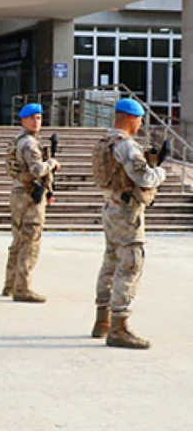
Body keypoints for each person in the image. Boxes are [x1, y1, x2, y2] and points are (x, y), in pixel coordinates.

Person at [90, 98, 166, 349]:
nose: (141, 124)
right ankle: (119, 327)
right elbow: (143, 177)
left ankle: (103, 320)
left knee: (110, 262)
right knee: (131, 263)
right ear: (131, 118)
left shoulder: (106, 141)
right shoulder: (126, 146)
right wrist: (160, 172)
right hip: (126, 212)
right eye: (140, 119)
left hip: (110, 207)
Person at [2, 103, 61, 303]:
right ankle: (23, 288)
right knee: (30, 242)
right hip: (29, 195)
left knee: (18, 239)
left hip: (20, 192)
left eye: (39, 117)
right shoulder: (29, 144)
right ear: (23, 120)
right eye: (33, 118)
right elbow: (37, 170)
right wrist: (52, 163)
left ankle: (10, 283)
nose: (37, 121)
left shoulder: (18, 141)